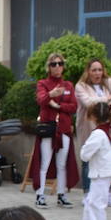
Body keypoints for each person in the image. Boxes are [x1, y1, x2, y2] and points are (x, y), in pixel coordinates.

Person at [75, 58, 111, 205]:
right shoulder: (81, 86)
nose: (97, 73)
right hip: (89, 128)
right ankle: (87, 194)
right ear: (88, 71)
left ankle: (107, 193)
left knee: (107, 159)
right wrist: (109, 97)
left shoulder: (108, 82)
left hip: (107, 127)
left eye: (100, 69)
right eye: (94, 70)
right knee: (88, 161)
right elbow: (89, 103)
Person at [30, 52, 78, 207]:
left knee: (62, 164)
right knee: (44, 162)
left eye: (60, 64)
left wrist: (58, 106)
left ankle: (61, 194)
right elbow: (41, 100)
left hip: (63, 128)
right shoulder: (43, 83)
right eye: (53, 64)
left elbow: (74, 106)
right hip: (48, 128)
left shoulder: (69, 85)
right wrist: (51, 94)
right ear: (49, 67)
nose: (57, 67)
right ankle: (40, 195)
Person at [74, 102, 111, 220]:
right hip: (104, 170)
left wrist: (84, 151)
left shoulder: (98, 133)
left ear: (93, 116)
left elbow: (85, 154)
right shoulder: (107, 129)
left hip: (101, 171)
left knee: (96, 202)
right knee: (91, 199)